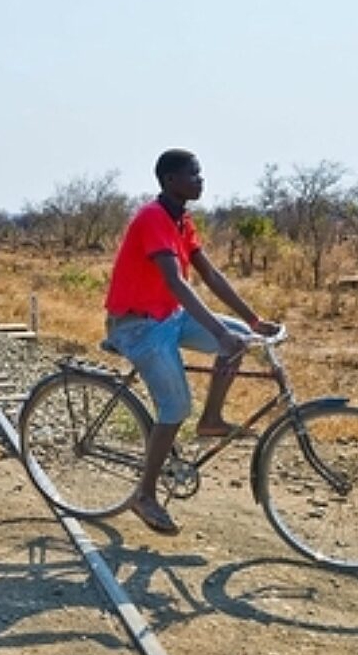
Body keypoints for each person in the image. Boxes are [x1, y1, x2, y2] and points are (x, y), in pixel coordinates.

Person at [103, 148, 279, 535]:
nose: (201, 180)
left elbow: (210, 275)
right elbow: (175, 281)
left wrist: (251, 320)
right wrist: (218, 332)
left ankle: (212, 420)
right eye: (193, 174)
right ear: (170, 180)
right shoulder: (152, 218)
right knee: (174, 406)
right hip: (138, 326)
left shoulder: (182, 219)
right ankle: (144, 496)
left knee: (242, 340)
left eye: (200, 174)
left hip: (169, 317)